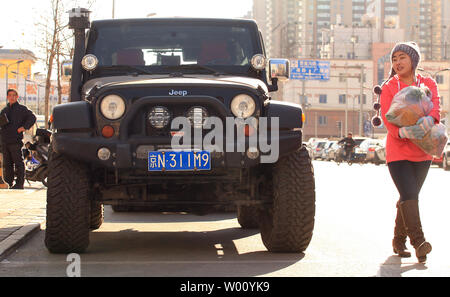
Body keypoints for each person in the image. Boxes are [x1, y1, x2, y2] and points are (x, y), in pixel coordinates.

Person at [380, 42, 440, 263]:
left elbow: (436, 107)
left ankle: (398, 240)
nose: (397, 62)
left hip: (423, 150)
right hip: (398, 151)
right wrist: (402, 131)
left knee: (408, 196)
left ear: (413, 60)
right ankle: (419, 242)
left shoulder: (428, 83)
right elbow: (387, 117)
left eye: (402, 57)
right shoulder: (388, 87)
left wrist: (429, 119)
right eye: (394, 59)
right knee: (409, 194)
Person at [0, 89, 36, 189]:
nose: (12, 97)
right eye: (10, 95)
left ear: (17, 97)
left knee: (18, 162)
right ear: (7, 97)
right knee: (7, 163)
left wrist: (24, 127)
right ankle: (8, 182)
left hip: (15, 140)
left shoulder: (22, 109)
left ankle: (19, 184)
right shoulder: (4, 110)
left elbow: (32, 117)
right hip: (5, 140)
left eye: (14, 95)